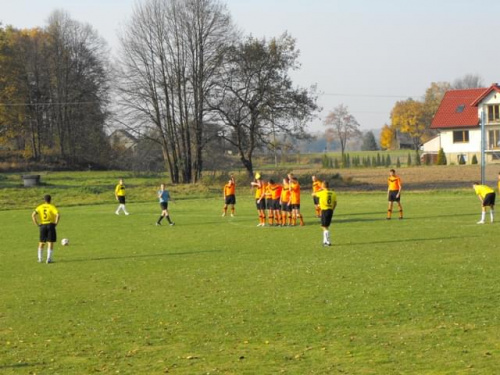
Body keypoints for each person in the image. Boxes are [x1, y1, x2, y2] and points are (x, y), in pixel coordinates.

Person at [32, 194, 60, 263]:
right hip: (50, 225)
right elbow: (58, 215)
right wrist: (56, 223)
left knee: (42, 242)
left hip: (43, 225)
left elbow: (33, 215)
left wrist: (37, 224)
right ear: (50, 200)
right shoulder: (52, 207)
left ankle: (40, 259)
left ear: (44, 200)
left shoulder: (40, 207)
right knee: (50, 242)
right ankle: (48, 259)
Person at [314, 181, 337, 246]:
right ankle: (325, 241)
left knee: (324, 227)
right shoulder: (333, 193)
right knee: (325, 226)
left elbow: (313, 194)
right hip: (330, 210)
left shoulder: (321, 193)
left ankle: (327, 242)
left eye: (321, 185)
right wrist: (332, 209)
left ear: (323, 186)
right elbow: (335, 203)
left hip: (324, 210)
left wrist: (319, 190)